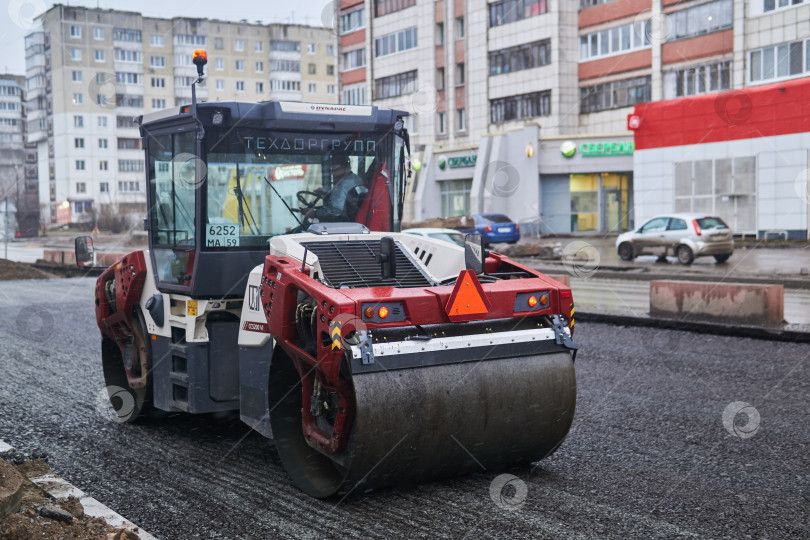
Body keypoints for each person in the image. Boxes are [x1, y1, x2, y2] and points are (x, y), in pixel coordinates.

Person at [307, 151, 365, 222]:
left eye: (334, 168)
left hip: (344, 226)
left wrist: (315, 213)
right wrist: (327, 195)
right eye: (331, 168)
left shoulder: (345, 185)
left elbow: (336, 213)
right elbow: (347, 202)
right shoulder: (354, 179)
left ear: (345, 167)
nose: (332, 172)